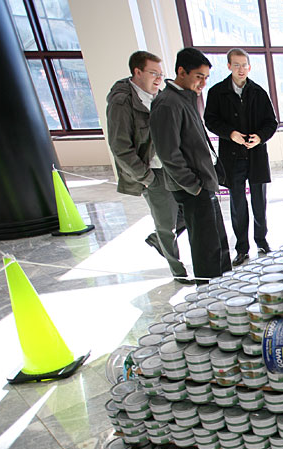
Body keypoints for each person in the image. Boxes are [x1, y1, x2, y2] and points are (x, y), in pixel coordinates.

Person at [106, 51, 191, 284]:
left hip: (173, 168)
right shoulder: (122, 102)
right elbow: (120, 147)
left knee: (188, 214)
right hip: (153, 172)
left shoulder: (160, 96)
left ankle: (156, 240)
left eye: (160, 74)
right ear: (137, 72)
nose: (158, 79)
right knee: (166, 225)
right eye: (153, 73)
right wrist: (146, 178)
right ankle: (178, 271)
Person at [150, 47, 232, 282]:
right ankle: (209, 294)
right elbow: (168, 154)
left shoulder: (186, 97)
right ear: (181, 72)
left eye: (206, 77)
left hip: (204, 182)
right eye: (199, 76)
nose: (203, 83)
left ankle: (227, 287)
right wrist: (194, 186)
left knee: (217, 241)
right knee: (206, 247)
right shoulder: (167, 104)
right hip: (194, 188)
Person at [204, 48, 277, 266]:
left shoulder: (259, 92)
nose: (241, 69)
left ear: (249, 67)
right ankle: (242, 248)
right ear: (229, 66)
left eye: (244, 65)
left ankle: (262, 241)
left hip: (256, 155)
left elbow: (271, 122)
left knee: (259, 202)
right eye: (236, 65)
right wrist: (230, 134)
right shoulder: (217, 92)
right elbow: (210, 120)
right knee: (237, 204)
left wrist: (260, 137)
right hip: (232, 156)